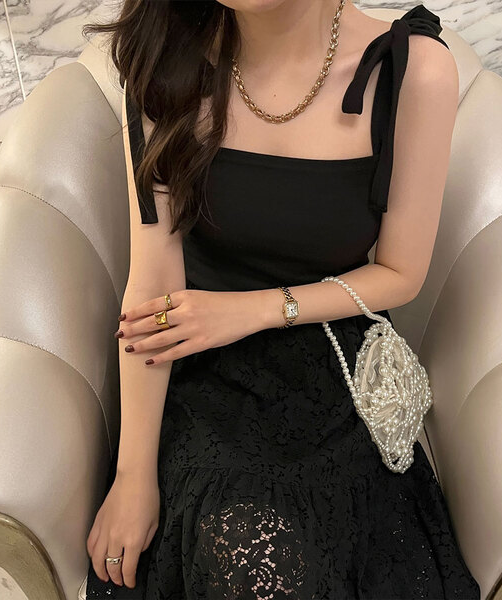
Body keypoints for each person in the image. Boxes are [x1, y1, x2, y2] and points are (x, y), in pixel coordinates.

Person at [84, 1, 481, 598]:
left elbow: (400, 273)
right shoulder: (167, 57)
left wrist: (254, 310)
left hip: (334, 352)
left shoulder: (413, 70)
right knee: (244, 552)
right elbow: (153, 287)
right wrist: (132, 475)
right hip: (199, 359)